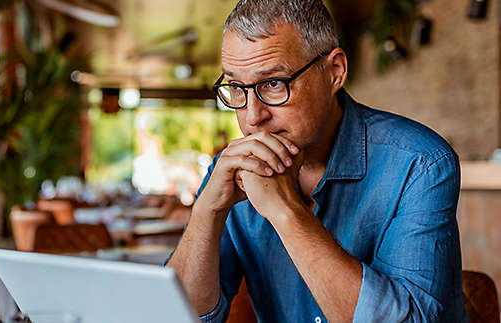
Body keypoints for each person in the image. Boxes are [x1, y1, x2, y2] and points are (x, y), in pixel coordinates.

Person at [166, 0, 468, 322]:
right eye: (238, 88)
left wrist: (285, 212)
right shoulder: (231, 173)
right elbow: (174, 316)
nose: (253, 117)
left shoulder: (420, 164)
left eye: (273, 83)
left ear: (334, 72)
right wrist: (205, 212)